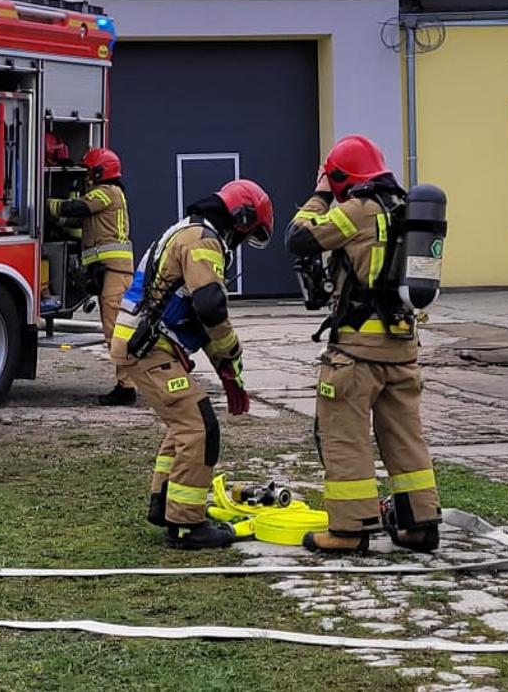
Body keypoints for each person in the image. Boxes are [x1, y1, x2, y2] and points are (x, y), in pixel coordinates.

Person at [288, 135, 440, 555]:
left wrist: (320, 195)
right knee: (405, 436)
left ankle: (348, 530)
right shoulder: (405, 208)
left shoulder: (357, 210)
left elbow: (298, 238)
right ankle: (419, 524)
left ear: (340, 177)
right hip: (403, 349)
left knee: (345, 437)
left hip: (356, 352)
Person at [110, 179, 273, 550]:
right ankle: (186, 526)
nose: (242, 243)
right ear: (241, 218)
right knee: (199, 428)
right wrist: (231, 359)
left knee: (184, 426)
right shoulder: (203, 241)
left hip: (148, 346)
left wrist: (230, 374)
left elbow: (201, 319)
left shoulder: (193, 233)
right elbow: (211, 308)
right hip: (149, 348)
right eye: (246, 235)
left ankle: (165, 505)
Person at [47, 147, 136, 405]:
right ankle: (128, 384)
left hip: (114, 271)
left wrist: (44, 203)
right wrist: (56, 222)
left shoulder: (107, 192)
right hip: (109, 271)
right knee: (116, 331)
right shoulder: (108, 197)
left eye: (89, 171)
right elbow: (80, 223)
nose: (87, 176)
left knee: (116, 332)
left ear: (100, 171)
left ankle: (127, 388)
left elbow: (76, 208)